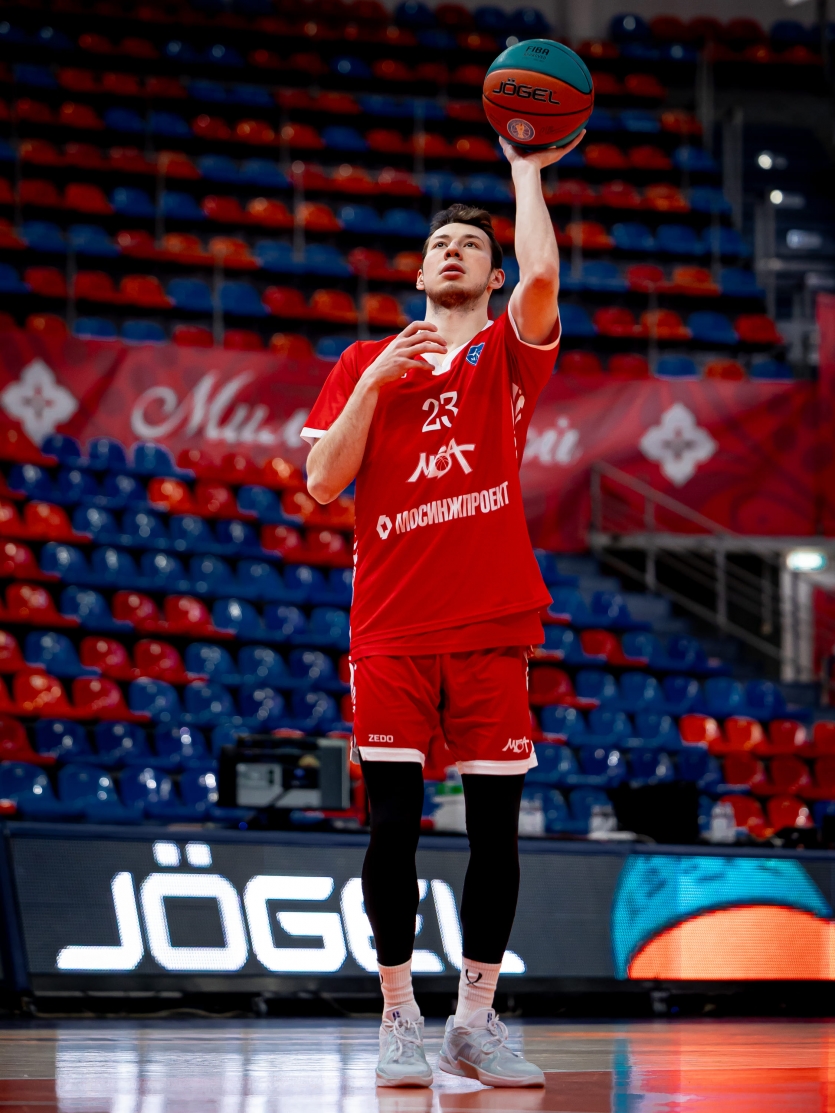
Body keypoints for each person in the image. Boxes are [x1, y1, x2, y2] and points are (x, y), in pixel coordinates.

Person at [302, 130, 584, 1089]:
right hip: (389, 627)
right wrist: (373, 383)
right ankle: (397, 1018)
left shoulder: (509, 353)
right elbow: (320, 481)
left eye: (470, 244)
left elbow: (544, 274)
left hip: (492, 625)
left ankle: (472, 1019)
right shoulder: (362, 359)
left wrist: (525, 169)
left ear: (492, 275)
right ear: (418, 273)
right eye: (438, 244)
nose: (452, 251)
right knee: (392, 827)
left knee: (496, 833)